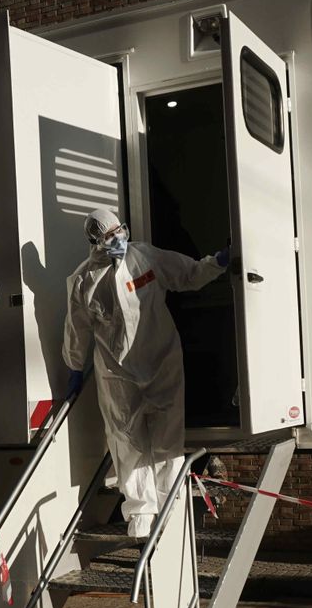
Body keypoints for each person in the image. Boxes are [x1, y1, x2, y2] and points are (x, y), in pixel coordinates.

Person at [63, 208, 228, 540]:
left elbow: (189, 274)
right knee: (127, 442)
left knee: (167, 439)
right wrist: (74, 367)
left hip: (161, 361)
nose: (118, 239)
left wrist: (218, 263)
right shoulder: (82, 280)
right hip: (117, 374)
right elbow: (76, 330)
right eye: (109, 236)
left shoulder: (145, 257)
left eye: (119, 230)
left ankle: (169, 508)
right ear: (95, 242)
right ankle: (141, 518)